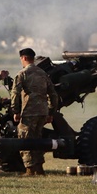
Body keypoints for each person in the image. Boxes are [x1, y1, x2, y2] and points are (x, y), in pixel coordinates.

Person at [11, 48, 59, 176]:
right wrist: (50, 112)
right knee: (38, 139)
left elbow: (15, 93)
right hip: (42, 112)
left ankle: (30, 169)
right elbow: (53, 94)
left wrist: (15, 111)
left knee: (25, 139)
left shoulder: (22, 74)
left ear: (24, 58)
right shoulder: (43, 73)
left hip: (29, 112)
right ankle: (39, 168)